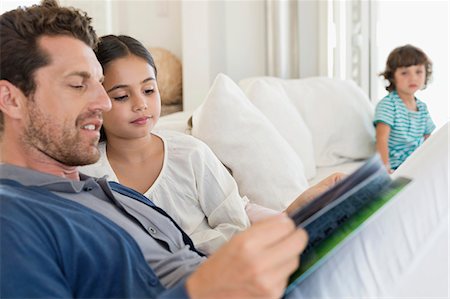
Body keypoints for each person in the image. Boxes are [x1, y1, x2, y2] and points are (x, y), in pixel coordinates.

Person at [0, 1, 313, 298]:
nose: (104, 102)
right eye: (78, 85)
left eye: (98, 83)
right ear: (10, 99)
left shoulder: (107, 191)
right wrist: (202, 291)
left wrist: (300, 216)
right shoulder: (15, 220)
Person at [80, 34, 343, 255]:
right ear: (97, 100)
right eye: (122, 96)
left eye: (149, 90)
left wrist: (185, 250)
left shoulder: (191, 154)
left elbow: (235, 225)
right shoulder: (88, 174)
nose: (140, 104)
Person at [374, 44, 436, 173]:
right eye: (404, 73)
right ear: (392, 77)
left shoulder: (422, 108)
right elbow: (381, 139)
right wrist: (385, 169)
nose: (413, 78)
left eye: (418, 72)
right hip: (396, 167)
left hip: (417, 164)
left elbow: (429, 140)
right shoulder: (388, 105)